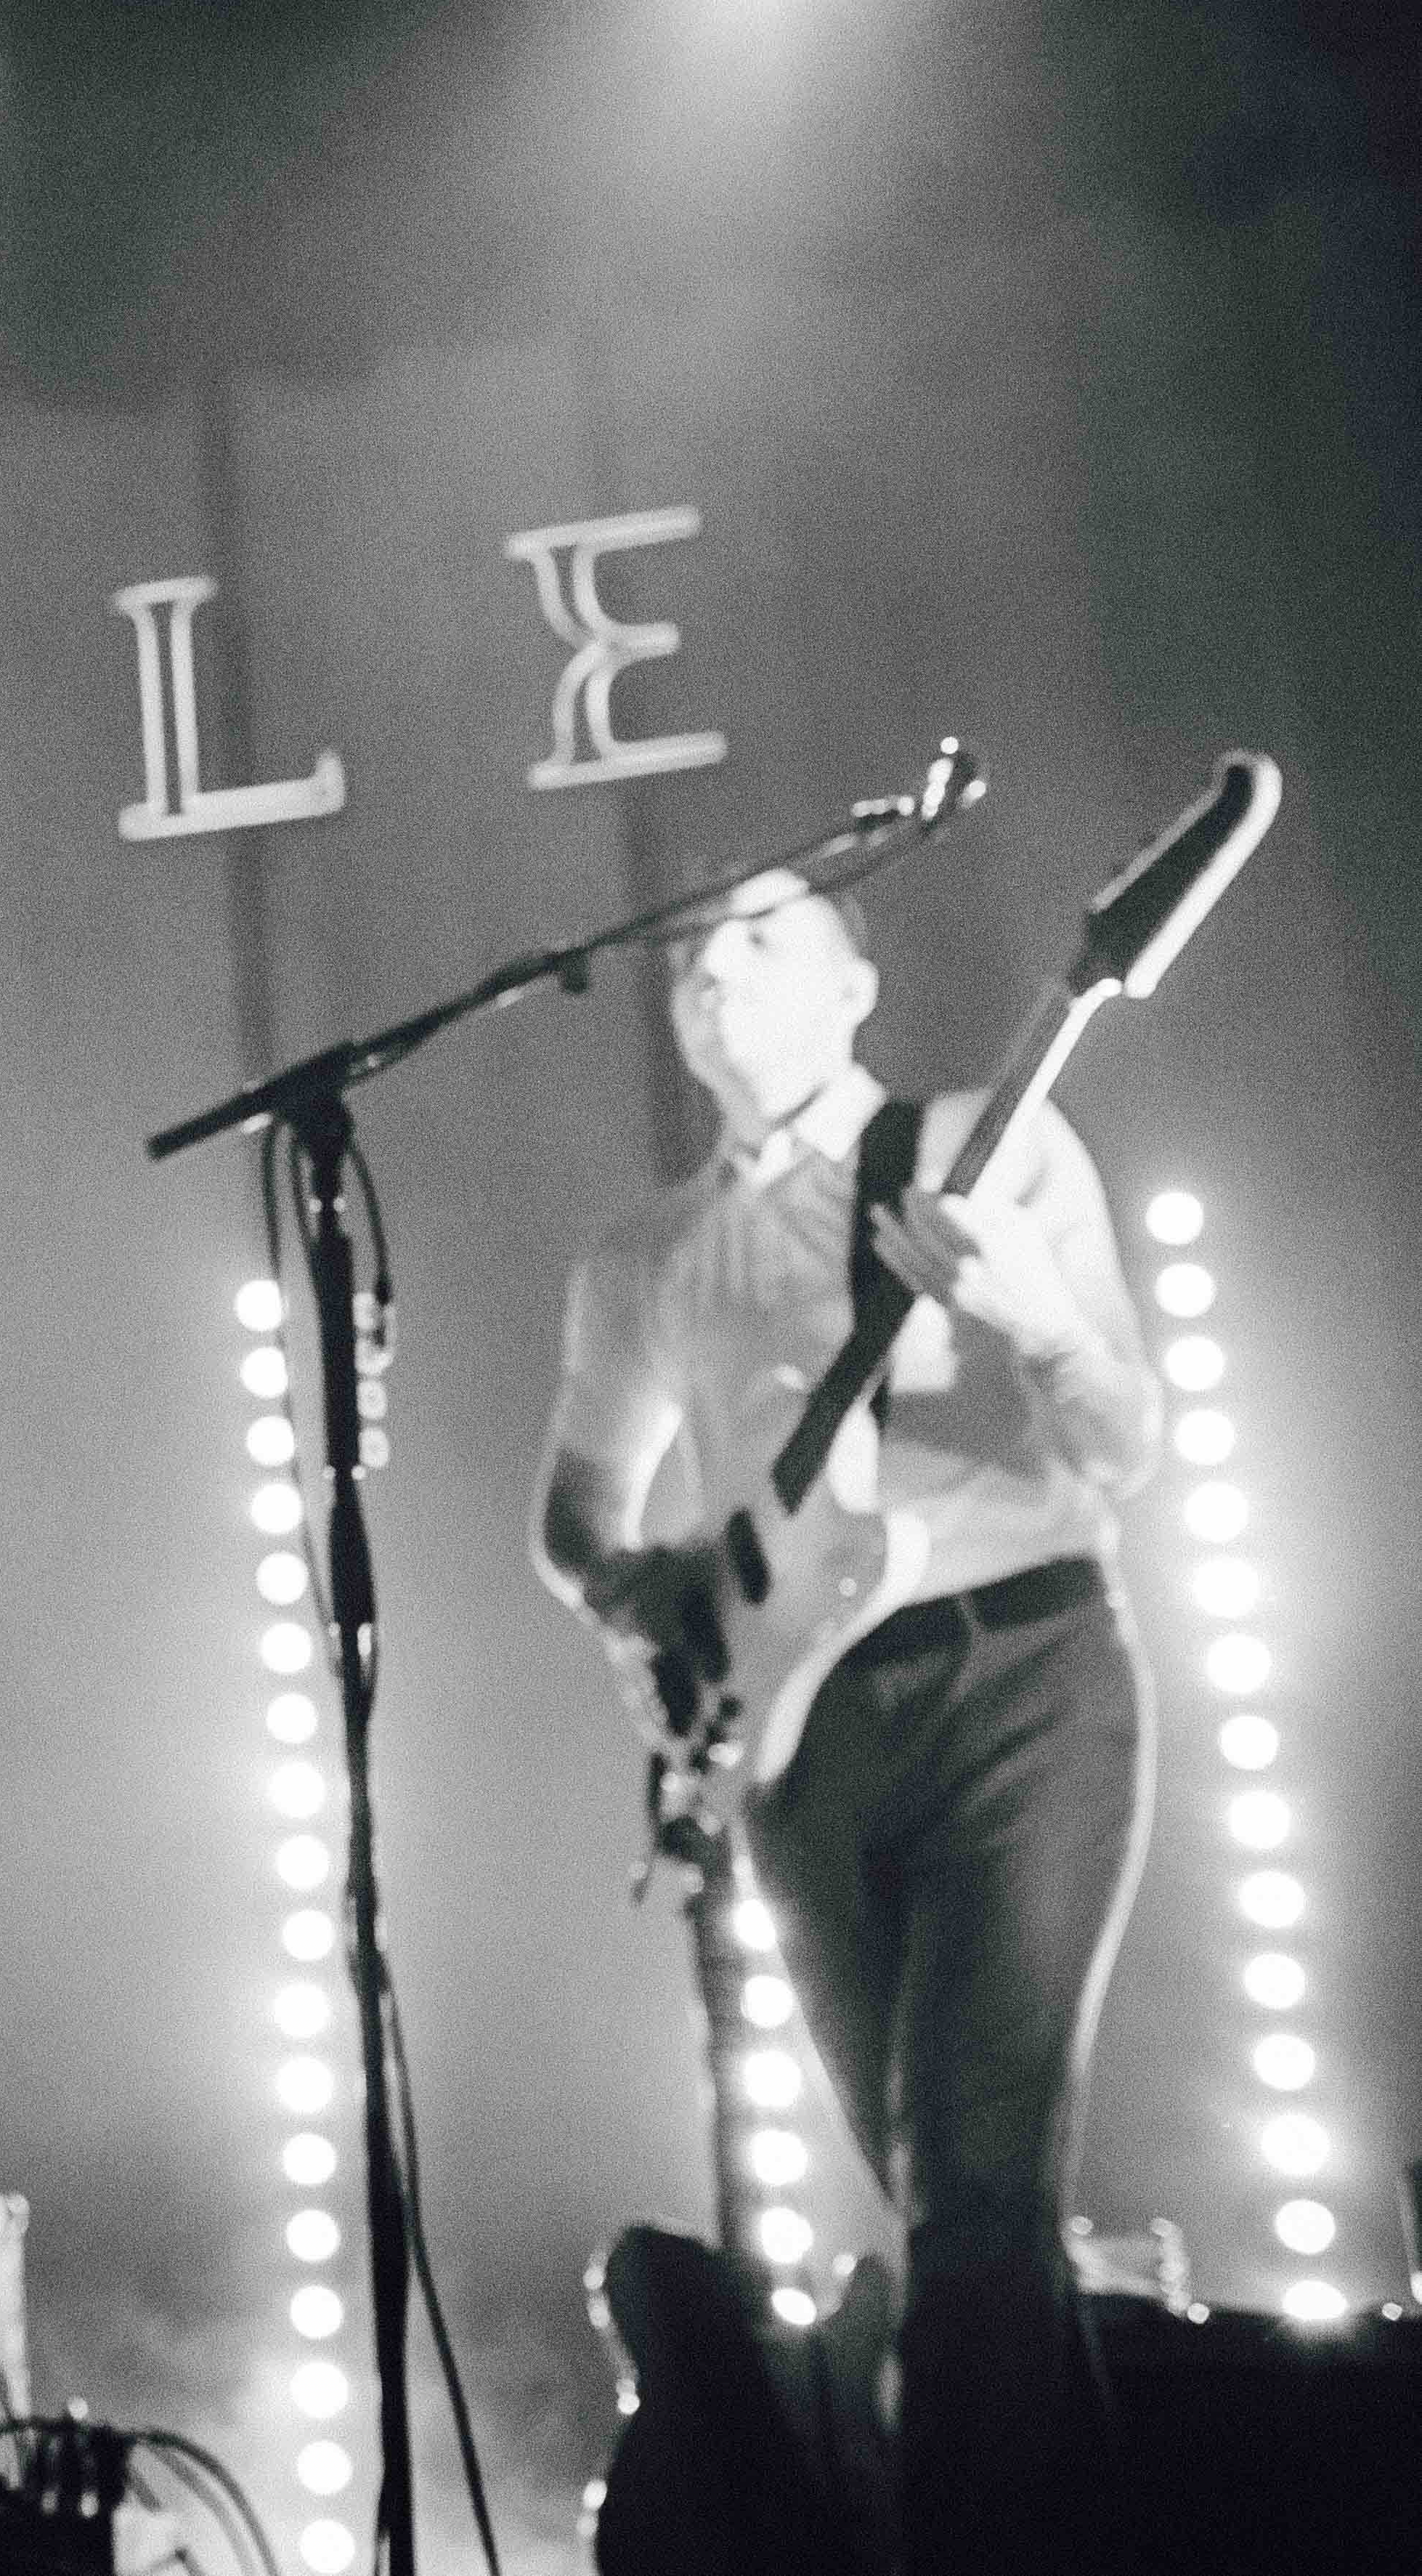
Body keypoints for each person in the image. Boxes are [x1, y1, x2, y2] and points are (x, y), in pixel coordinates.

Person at [535, 872, 1162, 2574]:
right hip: (798, 1738)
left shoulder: (977, 1144)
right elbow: (575, 1516)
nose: (711, 961)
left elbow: (1120, 1447)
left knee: (968, 2176)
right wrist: (648, 1596)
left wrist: (1031, 1315)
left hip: (1017, 1677)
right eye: (692, 949)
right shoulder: (643, 1255)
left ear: (853, 985)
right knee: (948, 2201)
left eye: (760, 932)